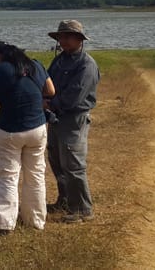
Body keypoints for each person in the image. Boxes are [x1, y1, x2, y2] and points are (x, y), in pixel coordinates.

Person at [0, 41, 55, 235]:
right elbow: (51, 91)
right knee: (35, 175)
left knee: (8, 175)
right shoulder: (35, 64)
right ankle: (35, 221)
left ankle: (4, 225)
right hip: (38, 128)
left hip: (11, 131)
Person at [44, 20, 100, 223]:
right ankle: (66, 200)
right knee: (56, 159)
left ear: (79, 39)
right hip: (56, 117)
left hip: (73, 119)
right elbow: (47, 82)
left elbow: (74, 97)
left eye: (68, 36)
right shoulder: (59, 60)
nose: (63, 40)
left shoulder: (87, 65)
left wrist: (48, 104)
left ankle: (83, 209)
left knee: (73, 164)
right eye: (61, 37)